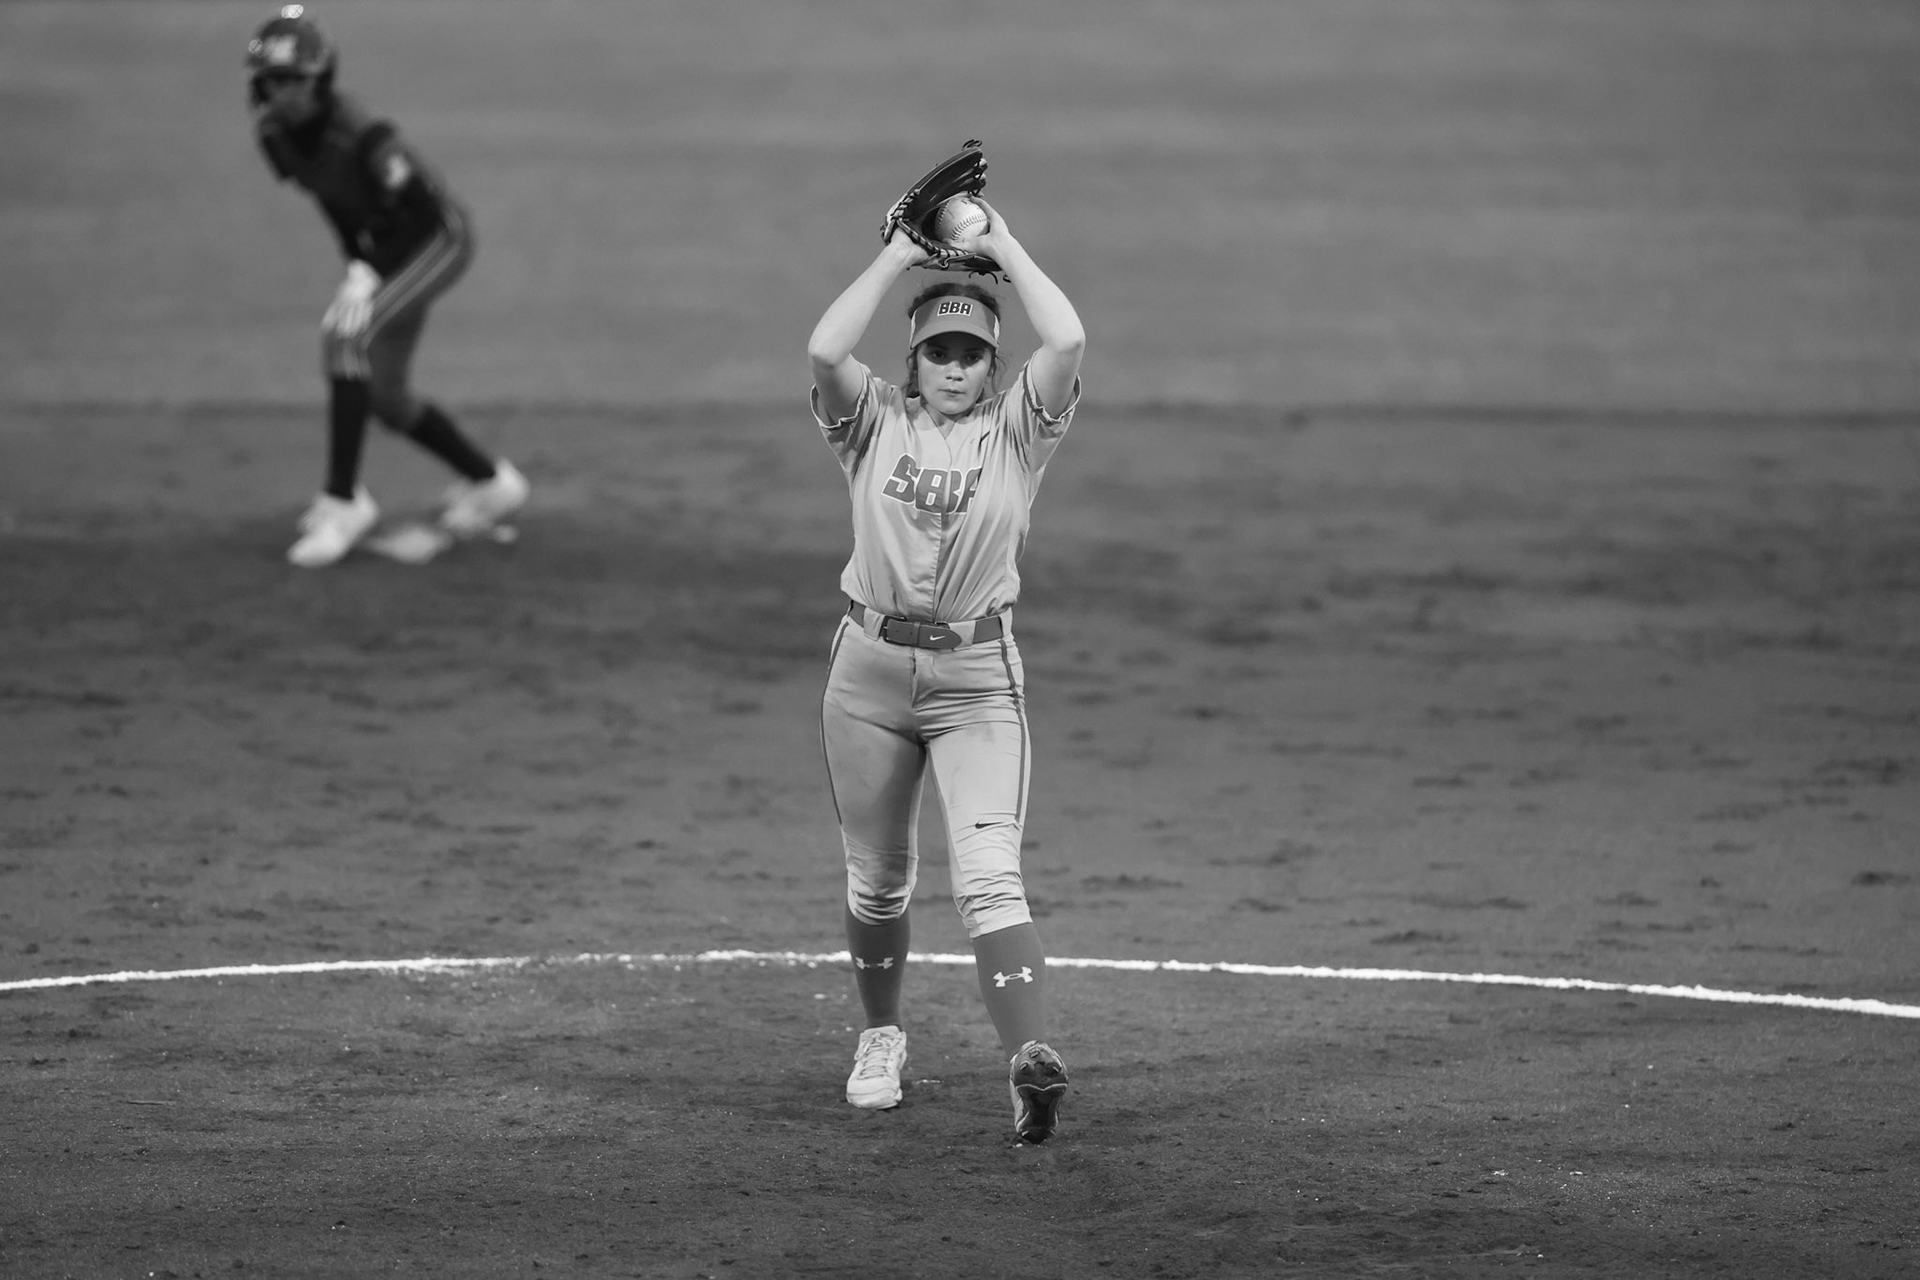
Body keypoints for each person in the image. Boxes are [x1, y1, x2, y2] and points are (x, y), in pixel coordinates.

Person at [806, 196, 1086, 1142]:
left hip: (976, 683)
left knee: (988, 877)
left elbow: (1071, 336)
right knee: (877, 881)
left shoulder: (1020, 433)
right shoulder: (871, 422)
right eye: (939, 351)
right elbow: (822, 351)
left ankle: (1027, 1063)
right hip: (868, 678)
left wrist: (1001, 240)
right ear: (914, 361)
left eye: (972, 353)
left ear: (993, 366)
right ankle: (880, 1035)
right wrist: (896, 255)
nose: (956, 367)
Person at [244, 5, 527, 567]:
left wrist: (371, 272)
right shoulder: (276, 136)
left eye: (296, 80)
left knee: (343, 339)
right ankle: (492, 483)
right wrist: (356, 262)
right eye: (274, 81)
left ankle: (342, 500)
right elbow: (333, 202)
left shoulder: (366, 134)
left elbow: (421, 213)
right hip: (387, 249)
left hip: (437, 241)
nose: (286, 93)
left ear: (321, 78)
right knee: (385, 398)